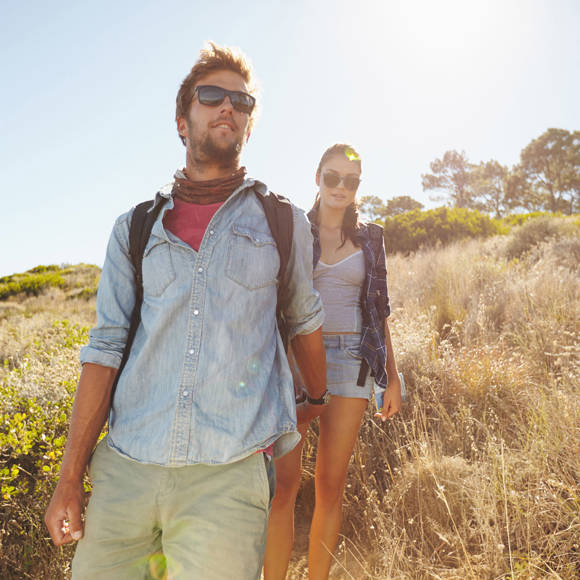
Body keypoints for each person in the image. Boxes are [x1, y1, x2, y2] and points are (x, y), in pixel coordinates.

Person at [44, 42, 329, 580]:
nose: (229, 107)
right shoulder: (135, 228)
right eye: (212, 95)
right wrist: (68, 480)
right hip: (126, 470)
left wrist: (314, 398)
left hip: (226, 480)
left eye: (242, 102)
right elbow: (104, 351)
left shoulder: (283, 221)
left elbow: (303, 320)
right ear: (182, 121)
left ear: (248, 125)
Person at [264, 143, 402, 579]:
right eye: (332, 177)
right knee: (283, 488)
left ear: (358, 186)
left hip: (353, 363)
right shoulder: (293, 232)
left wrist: (392, 378)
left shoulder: (371, 238)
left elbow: (378, 312)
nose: (340, 186)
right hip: (299, 364)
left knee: (330, 488)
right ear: (317, 178)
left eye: (351, 180)